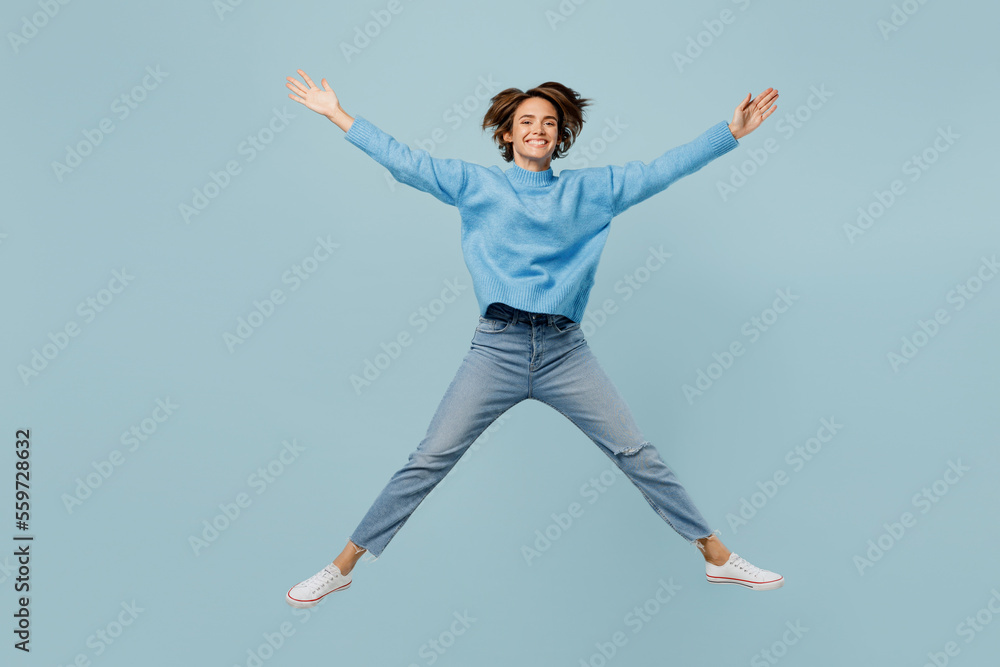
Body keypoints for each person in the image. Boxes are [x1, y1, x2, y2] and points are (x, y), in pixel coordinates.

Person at [282, 69, 783, 608]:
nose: (537, 129)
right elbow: (407, 162)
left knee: (637, 452)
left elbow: (661, 170)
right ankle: (342, 566)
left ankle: (717, 557)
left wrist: (729, 133)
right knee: (429, 459)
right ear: (507, 134)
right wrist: (337, 113)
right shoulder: (477, 185)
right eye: (526, 121)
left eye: (549, 123)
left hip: (566, 352)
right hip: (496, 349)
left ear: (559, 136)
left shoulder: (594, 191)